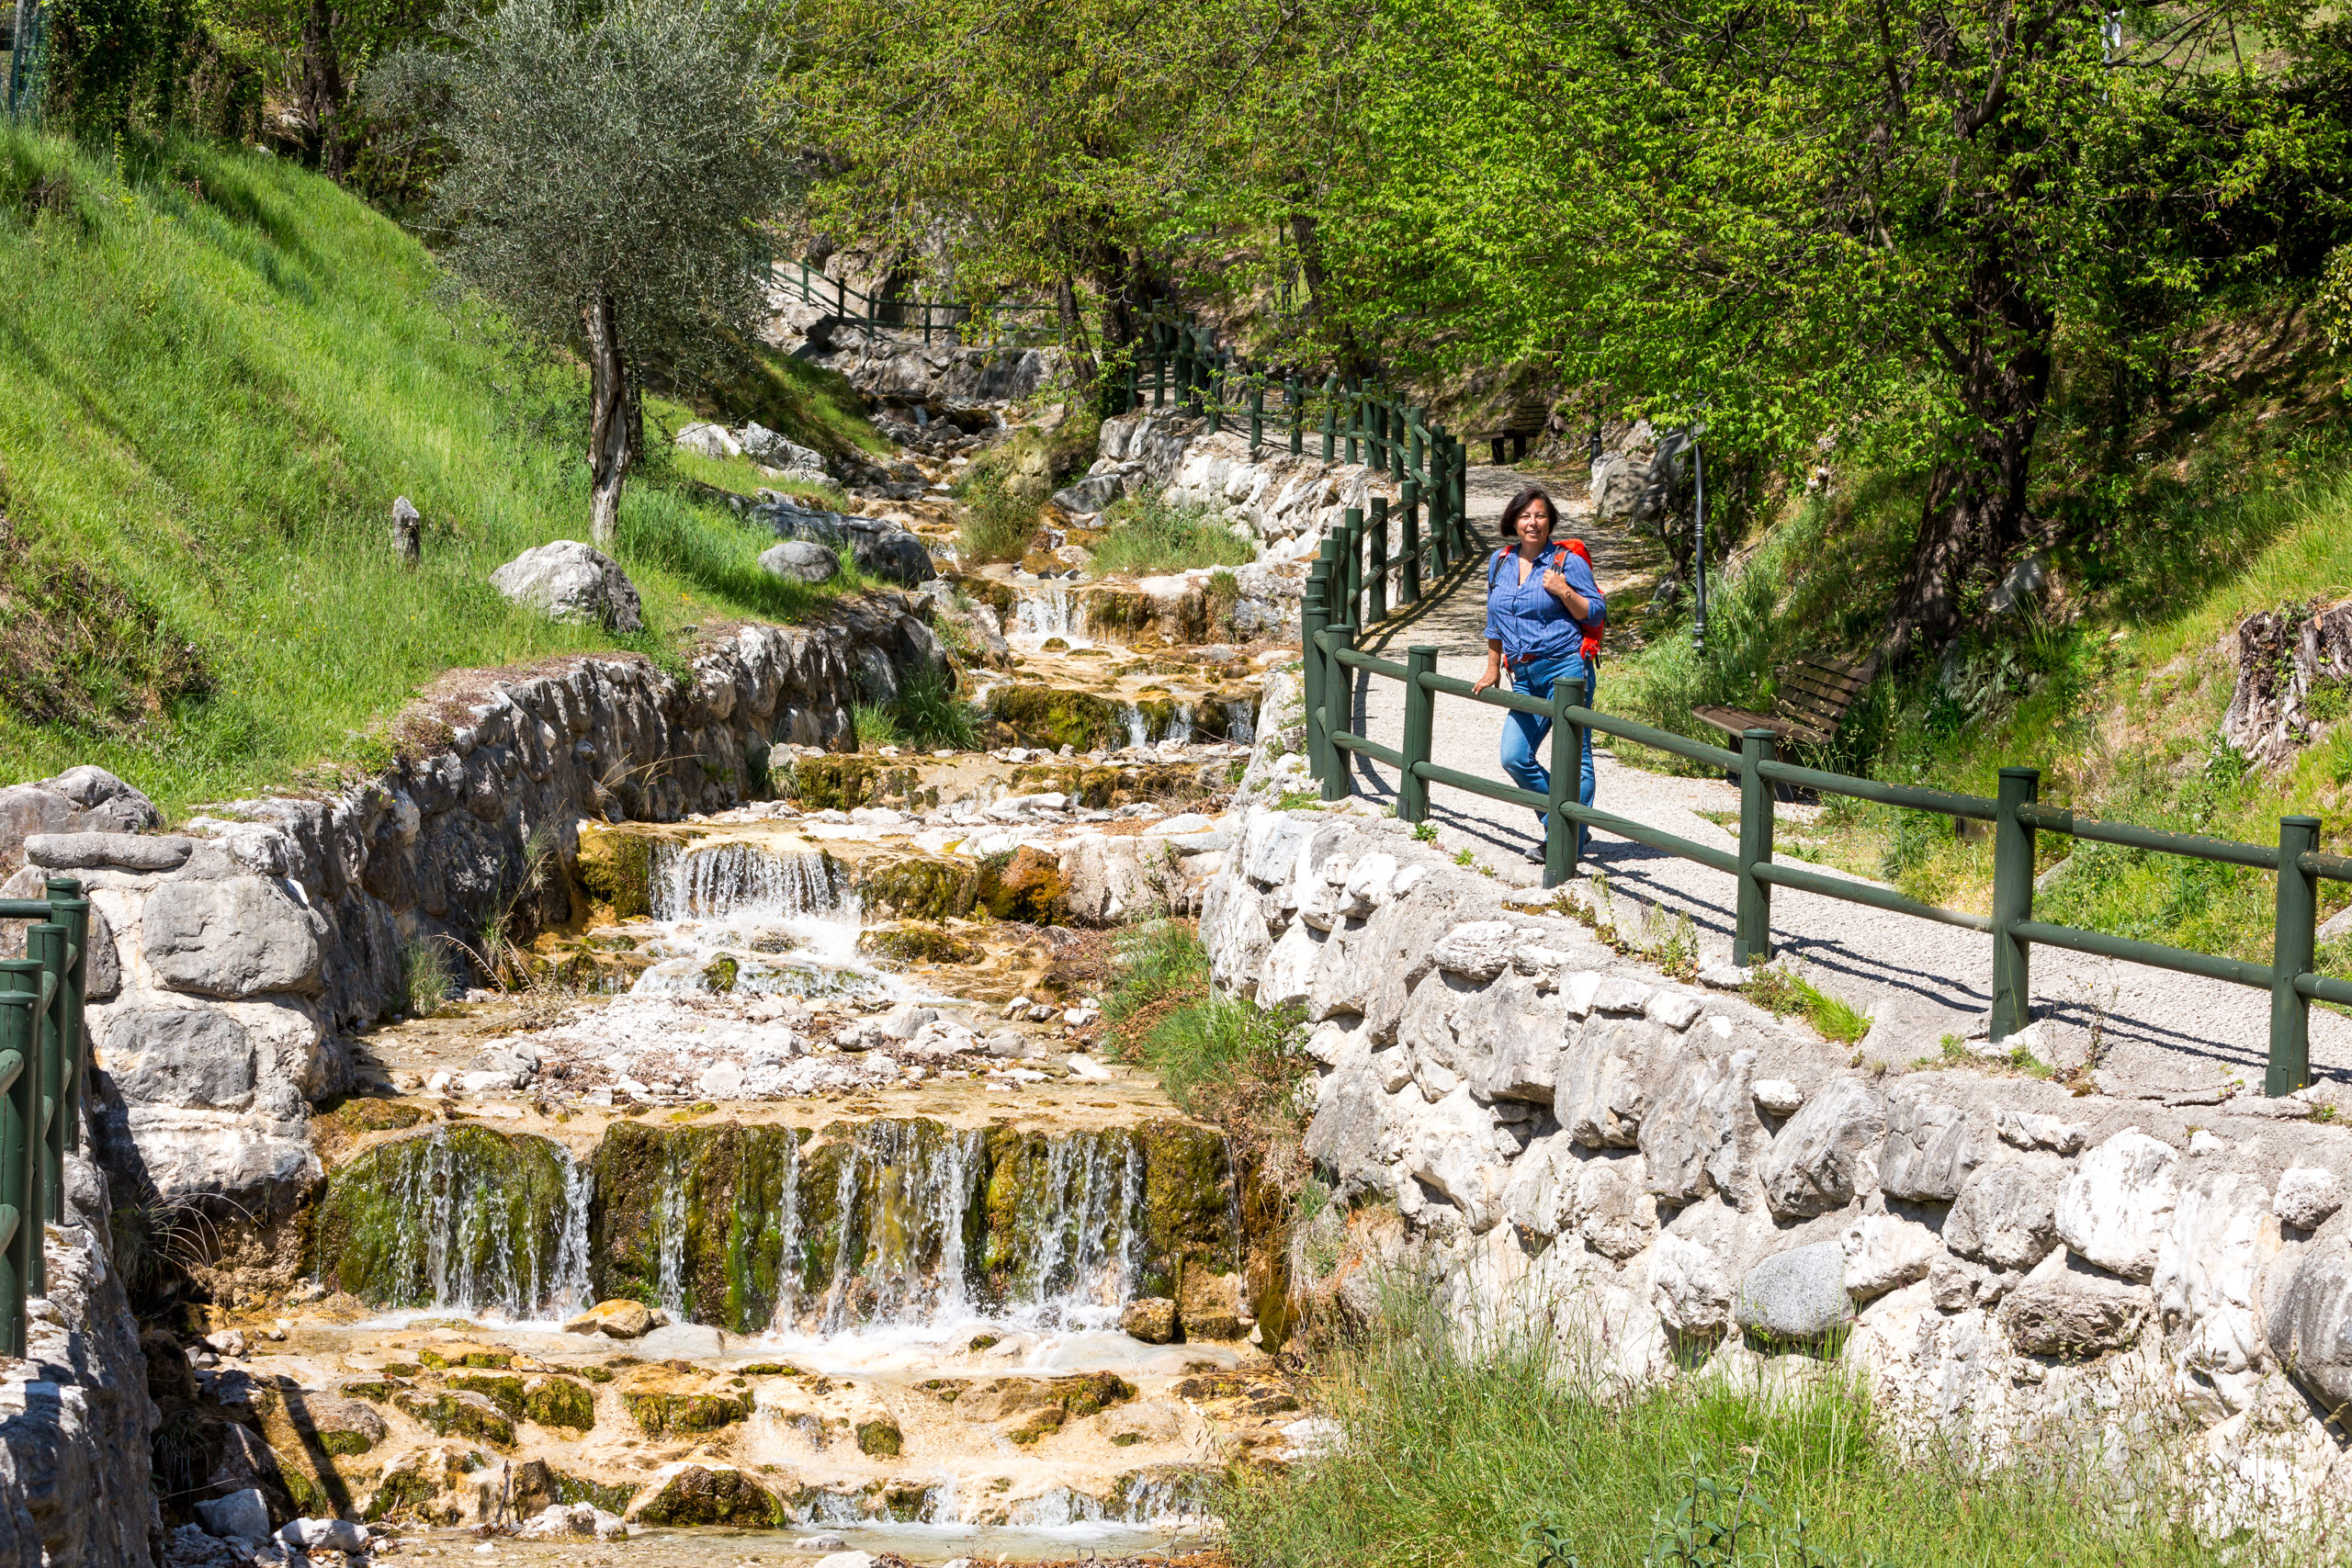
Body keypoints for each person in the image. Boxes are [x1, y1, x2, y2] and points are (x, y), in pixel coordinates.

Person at [1473, 486, 1605, 864]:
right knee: (1514, 756)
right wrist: (1491, 667)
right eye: (1526, 516)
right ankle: (1566, 828)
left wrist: (1564, 591)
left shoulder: (1565, 562)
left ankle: (1568, 841)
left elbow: (1595, 613)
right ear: (1513, 521)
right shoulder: (1499, 562)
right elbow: (1494, 620)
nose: (1533, 523)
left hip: (1566, 669)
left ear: (1551, 522)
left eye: (1541, 516)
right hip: (1524, 674)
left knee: (1575, 756)